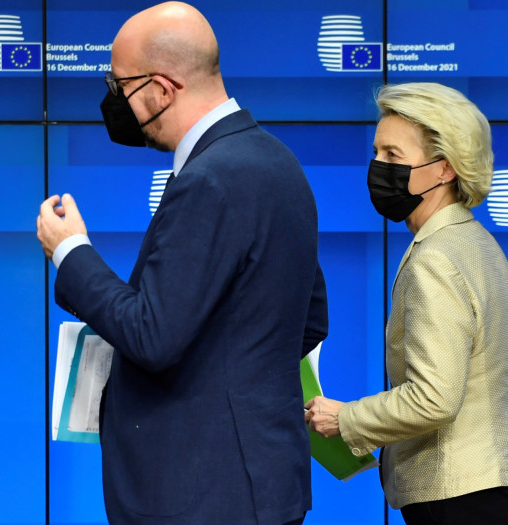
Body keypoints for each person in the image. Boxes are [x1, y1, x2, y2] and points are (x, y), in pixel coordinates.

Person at [36, 3, 327, 523]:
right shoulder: (279, 162)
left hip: (202, 494)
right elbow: (308, 320)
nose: (113, 100)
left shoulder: (209, 179)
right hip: (259, 487)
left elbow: (152, 335)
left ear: (162, 89)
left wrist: (70, 250)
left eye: (119, 85)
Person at [305, 82, 508, 525]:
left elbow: (434, 400)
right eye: (376, 152)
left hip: (455, 501)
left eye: (393, 155)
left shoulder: (434, 259)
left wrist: (346, 418)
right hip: (499, 495)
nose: (377, 166)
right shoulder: (482, 246)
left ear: (445, 169)